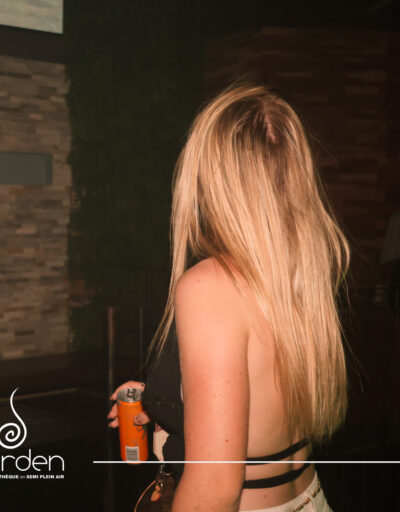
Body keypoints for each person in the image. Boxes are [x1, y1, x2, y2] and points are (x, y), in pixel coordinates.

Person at [108, 83, 349, 511]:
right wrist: (168, 399)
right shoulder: (300, 273)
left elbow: (215, 487)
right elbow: (261, 398)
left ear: (208, 177)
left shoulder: (211, 284)